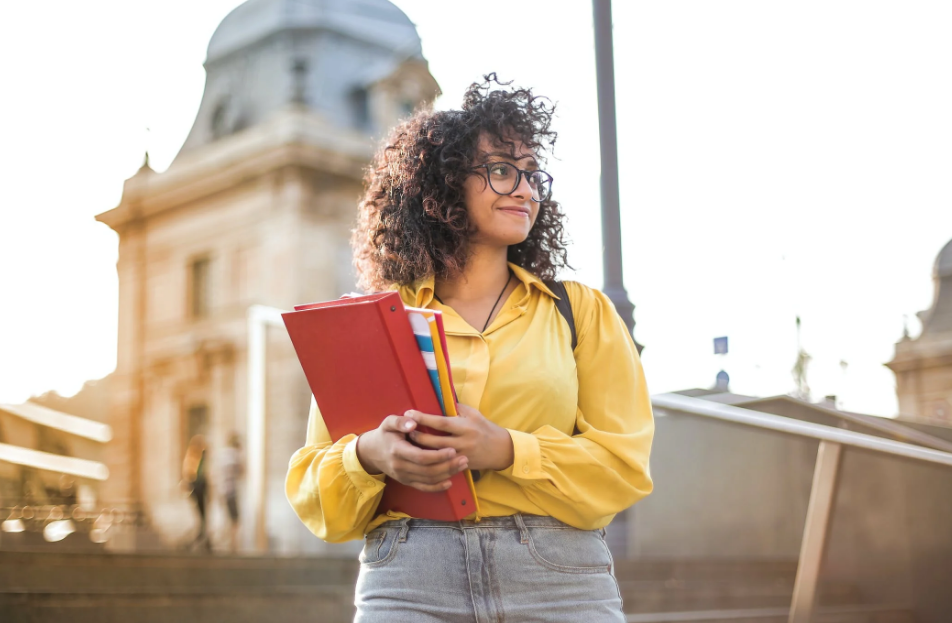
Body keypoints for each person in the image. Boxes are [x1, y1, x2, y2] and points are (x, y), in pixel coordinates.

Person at [286, 75, 654, 622]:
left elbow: (624, 468)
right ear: (442, 185)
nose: (526, 190)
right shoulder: (375, 324)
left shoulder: (580, 312)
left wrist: (506, 448)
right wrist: (369, 455)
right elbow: (317, 494)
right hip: (409, 576)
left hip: (559, 578)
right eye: (503, 170)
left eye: (532, 175)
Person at [182, 434, 210, 551]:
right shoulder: (192, 458)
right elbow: (190, 475)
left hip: (200, 489)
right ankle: (199, 538)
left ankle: (203, 538)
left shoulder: (200, 459)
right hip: (197, 488)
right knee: (200, 516)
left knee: (202, 516)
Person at [218, 432, 244, 552]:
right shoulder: (233, 455)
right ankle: (233, 545)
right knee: (234, 519)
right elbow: (240, 470)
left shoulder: (223, 454)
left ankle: (229, 543)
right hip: (231, 491)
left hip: (223, 490)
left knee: (228, 518)